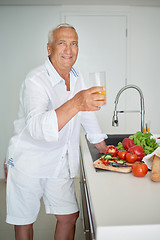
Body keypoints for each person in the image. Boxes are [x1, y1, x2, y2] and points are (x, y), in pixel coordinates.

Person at [6, 23, 107, 240]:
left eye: (74, 44)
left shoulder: (77, 76)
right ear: (49, 48)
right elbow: (36, 128)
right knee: (24, 220)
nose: (69, 50)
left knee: (69, 216)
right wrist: (77, 102)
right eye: (62, 43)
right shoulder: (35, 79)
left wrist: (102, 145)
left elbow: (86, 113)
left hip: (58, 159)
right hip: (27, 160)